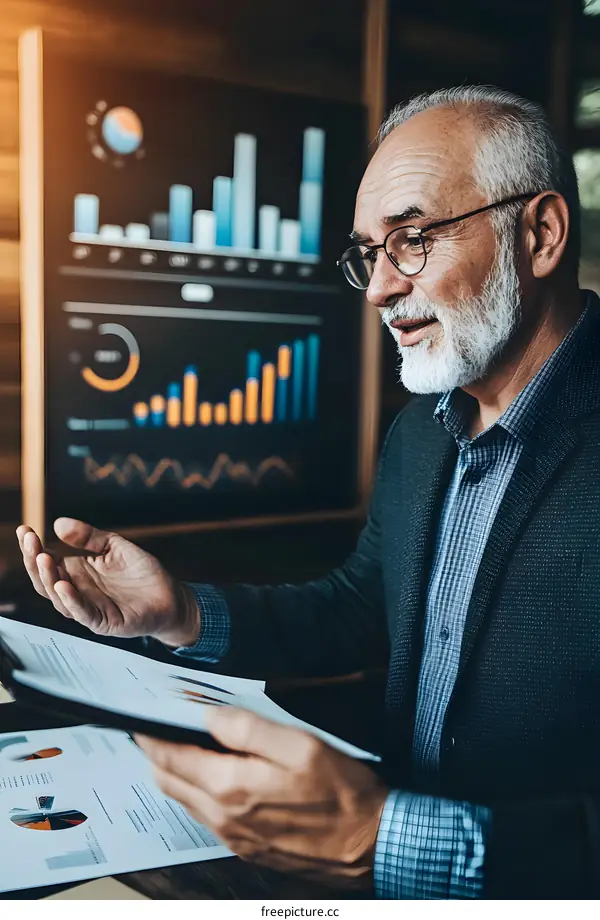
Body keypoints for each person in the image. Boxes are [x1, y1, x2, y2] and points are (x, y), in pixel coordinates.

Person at [16, 85, 600, 899]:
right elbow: (364, 609)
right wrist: (179, 612)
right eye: (370, 251)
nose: (378, 289)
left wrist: (390, 841)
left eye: (413, 239)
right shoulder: (423, 431)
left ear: (538, 234)